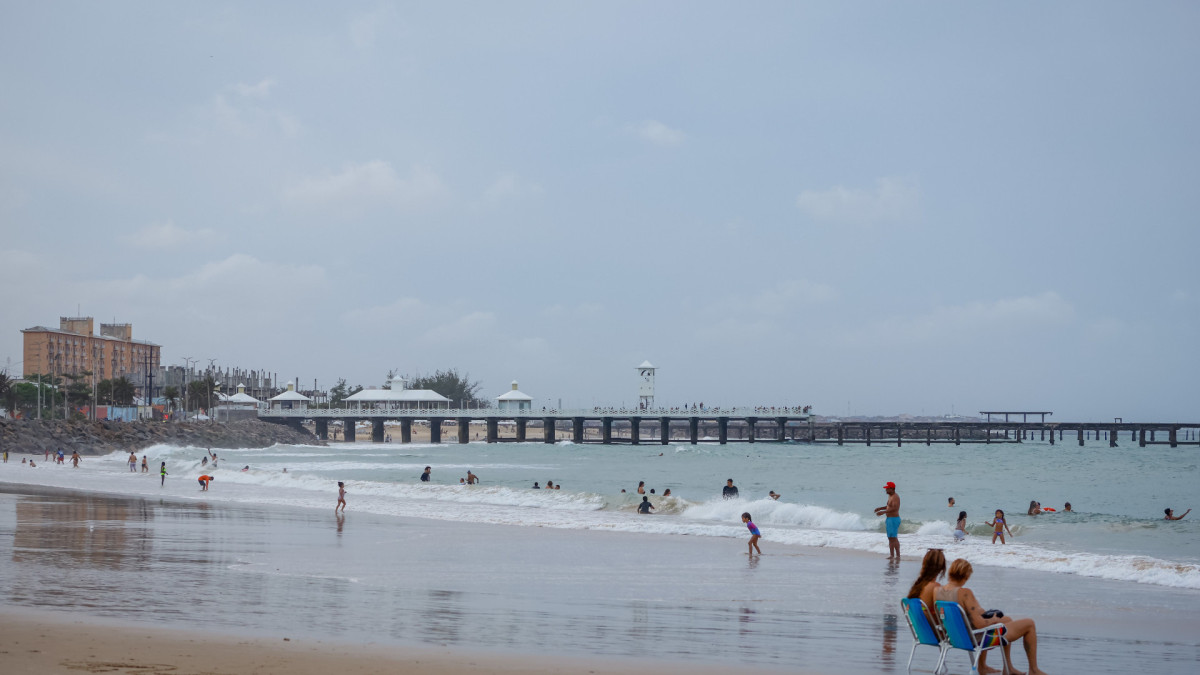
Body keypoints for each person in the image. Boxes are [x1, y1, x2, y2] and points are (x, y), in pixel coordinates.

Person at [937, 558, 1049, 675]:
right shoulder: (964, 592)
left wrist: (981, 613)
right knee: (1029, 624)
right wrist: (994, 619)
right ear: (965, 576)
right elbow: (979, 624)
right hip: (977, 639)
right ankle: (1033, 669)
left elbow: (960, 614)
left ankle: (1006, 667)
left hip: (955, 637)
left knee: (1007, 620)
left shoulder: (938, 591)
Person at [907, 548, 947, 613]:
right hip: (931, 622)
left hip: (917, 622)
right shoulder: (935, 587)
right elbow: (943, 614)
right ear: (942, 567)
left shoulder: (918, 585)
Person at [874, 481, 901, 560]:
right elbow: (889, 506)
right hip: (890, 519)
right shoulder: (890, 496)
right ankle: (892, 555)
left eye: (887, 489)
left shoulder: (895, 497)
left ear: (892, 489)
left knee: (893, 538)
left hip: (893, 519)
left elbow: (895, 508)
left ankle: (897, 556)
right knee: (890, 538)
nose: (886, 490)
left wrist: (883, 512)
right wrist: (880, 508)